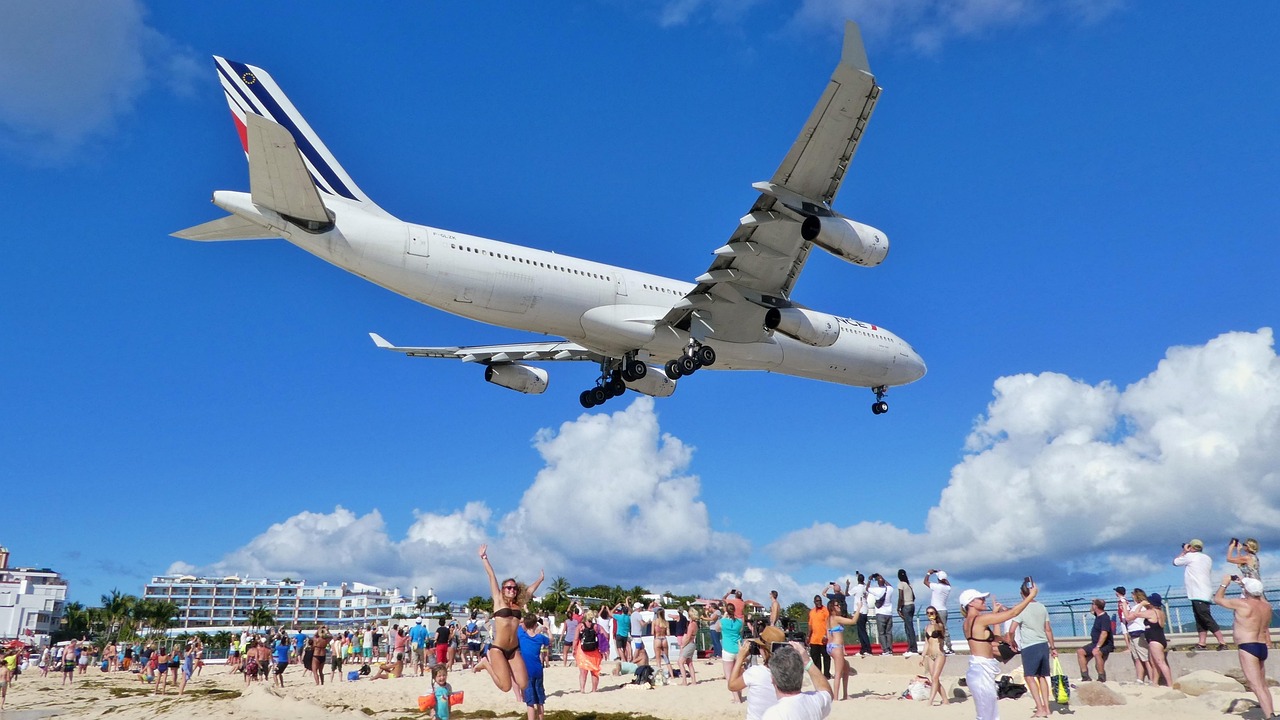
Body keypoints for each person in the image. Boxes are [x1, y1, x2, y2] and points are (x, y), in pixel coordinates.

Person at [960, 583, 1038, 720]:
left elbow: (985, 639)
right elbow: (1013, 613)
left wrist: (1003, 637)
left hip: (980, 669)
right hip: (981, 670)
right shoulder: (979, 620)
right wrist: (1030, 596)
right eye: (980, 599)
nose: (984, 601)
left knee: (989, 714)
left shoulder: (968, 622)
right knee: (987, 716)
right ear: (971, 603)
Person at [477, 544, 544, 693]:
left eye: (514, 588)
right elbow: (491, 576)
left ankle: (502, 667)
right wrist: (484, 558)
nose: (512, 590)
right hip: (498, 648)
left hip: (514, 649)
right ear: (503, 589)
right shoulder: (498, 600)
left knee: (523, 684)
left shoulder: (518, 605)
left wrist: (540, 579)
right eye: (508, 587)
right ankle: (486, 664)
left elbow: (530, 590)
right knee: (506, 687)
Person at [1214, 575, 1272, 718]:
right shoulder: (1266, 606)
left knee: (1255, 685)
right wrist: (1243, 584)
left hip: (1248, 646)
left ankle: (1270, 716)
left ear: (1246, 591)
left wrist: (1224, 584)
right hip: (1261, 645)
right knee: (1262, 684)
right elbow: (1257, 594)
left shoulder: (1242, 604)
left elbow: (1218, 599)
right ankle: (1272, 714)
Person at [1007, 583, 1055, 718]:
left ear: (1022, 593)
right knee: (1042, 676)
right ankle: (1047, 707)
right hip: (1043, 644)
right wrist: (1053, 647)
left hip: (1030, 645)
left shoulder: (1021, 608)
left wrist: (1012, 641)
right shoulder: (1042, 607)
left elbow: (1011, 630)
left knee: (1029, 676)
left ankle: (1040, 708)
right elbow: (1048, 629)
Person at [1174, 539, 1227, 650]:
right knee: (1200, 619)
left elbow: (1176, 562)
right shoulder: (1207, 558)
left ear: (1192, 547)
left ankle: (1222, 642)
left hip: (1197, 592)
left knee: (1206, 618)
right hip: (1205, 591)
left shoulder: (1190, 557)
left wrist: (1184, 552)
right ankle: (1202, 643)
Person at [762, 643, 833, 720]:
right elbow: (827, 691)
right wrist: (807, 662)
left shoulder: (773, 714)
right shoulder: (815, 701)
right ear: (801, 675)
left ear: (773, 679)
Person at [728, 625, 784, 720]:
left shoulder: (755, 672)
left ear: (764, 649)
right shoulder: (789, 672)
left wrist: (740, 658)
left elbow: (732, 686)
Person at [1133, 592, 1174, 686]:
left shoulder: (1151, 612)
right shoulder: (1160, 612)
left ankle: (1170, 684)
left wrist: (1141, 605)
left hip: (1155, 640)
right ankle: (1155, 683)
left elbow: (1136, 614)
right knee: (1154, 663)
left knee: (1160, 663)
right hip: (1159, 639)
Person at [826, 597, 861, 700]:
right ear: (832, 607)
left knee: (846, 667)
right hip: (836, 647)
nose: (839, 607)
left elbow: (828, 635)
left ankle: (845, 694)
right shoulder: (836, 618)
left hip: (831, 646)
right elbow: (853, 621)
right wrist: (859, 608)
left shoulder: (828, 619)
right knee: (838, 673)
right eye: (837, 605)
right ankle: (836, 698)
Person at [1115, 587, 1150, 685]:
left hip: (1139, 632)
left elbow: (1128, 617)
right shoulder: (1136, 606)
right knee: (1137, 658)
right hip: (1133, 633)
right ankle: (1139, 679)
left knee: (1145, 658)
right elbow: (1128, 617)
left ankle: (1151, 678)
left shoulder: (1141, 607)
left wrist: (1125, 607)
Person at [518, 613, 550, 720]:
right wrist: (547, 628)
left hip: (527, 671)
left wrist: (523, 620)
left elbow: (517, 623)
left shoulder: (521, 635)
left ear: (525, 624)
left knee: (530, 701)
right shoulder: (540, 638)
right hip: (538, 669)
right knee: (540, 700)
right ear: (536, 624)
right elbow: (551, 640)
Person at [1076, 598, 1113, 682]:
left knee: (1096, 653)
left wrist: (1098, 647)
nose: (1092, 606)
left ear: (1096, 606)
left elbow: (1104, 633)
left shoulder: (1105, 618)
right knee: (1080, 652)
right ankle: (1085, 676)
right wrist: (1093, 602)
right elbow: (1091, 611)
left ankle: (1101, 676)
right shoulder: (1097, 615)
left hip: (1105, 644)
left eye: (1093, 604)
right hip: (1095, 643)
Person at [920, 606, 949, 706]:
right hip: (930, 655)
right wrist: (922, 656)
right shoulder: (927, 627)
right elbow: (926, 643)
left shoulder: (940, 625)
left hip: (939, 654)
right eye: (928, 613)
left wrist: (934, 623)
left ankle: (930, 701)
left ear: (936, 614)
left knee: (935, 677)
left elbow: (939, 628)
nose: (930, 615)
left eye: (932, 613)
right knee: (934, 679)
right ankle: (945, 700)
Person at [720, 602, 746, 701]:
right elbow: (740, 631)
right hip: (738, 649)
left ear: (726, 610)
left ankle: (736, 699)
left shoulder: (722, 621)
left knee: (729, 676)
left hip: (727, 649)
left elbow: (718, 629)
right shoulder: (740, 622)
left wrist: (724, 616)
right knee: (738, 675)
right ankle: (739, 696)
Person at [924, 570, 954, 654]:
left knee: (935, 628)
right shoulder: (948, 588)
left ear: (939, 579)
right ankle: (948, 647)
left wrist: (928, 573)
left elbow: (925, 582)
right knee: (944, 628)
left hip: (936, 610)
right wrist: (941, 573)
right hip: (944, 610)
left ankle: (941, 647)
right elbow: (947, 583)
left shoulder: (937, 586)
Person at [574, 608, 603, 693]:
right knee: (594, 671)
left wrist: (574, 649)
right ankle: (594, 690)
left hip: (582, 651)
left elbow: (575, 639)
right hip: (594, 651)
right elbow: (605, 635)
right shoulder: (596, 626)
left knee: (583, 671)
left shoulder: (580, 626)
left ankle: (582, 690)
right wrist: (602, 647)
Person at [869, 573, 895, 655]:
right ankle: (890, 649)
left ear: (877, 583)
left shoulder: (876, 590)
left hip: (880, 613)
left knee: (881, 633)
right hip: (889, 613)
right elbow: (890, 585)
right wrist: (881, 577)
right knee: (889, 632)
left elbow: (867, 588)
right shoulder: (889, 589)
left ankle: (885, 649)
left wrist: (870, 579)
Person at [805, 595, 830, 679]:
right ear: (814, 602)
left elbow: (828, 624)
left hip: (823, 639)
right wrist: (808, 636)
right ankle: (819, 674)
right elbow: (810, 625)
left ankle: (826, 674)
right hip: (814, 639)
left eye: (820, 600)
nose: (819, 602)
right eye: (817, 601)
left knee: (826, 657)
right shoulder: (811, 612)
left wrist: (826, 635)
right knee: (815, 657)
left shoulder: (825, 610)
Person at [897, 569, 919, 657]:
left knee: (908, 628)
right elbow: (914, 597)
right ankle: (912, 647)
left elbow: (900, 597)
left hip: (905, 606)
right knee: (910, 626)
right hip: (912, 605)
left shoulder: (901, 584)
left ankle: (913, 648)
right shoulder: (909, 584)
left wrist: (898, 608)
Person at [850, 574, 872, 656]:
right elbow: (866, 587)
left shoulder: (856, 588)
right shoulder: (865, 588)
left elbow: (847, 594)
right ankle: (863, 649)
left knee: (862, 631)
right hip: (865, 610)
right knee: (861, 631)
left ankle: (867, 649)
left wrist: (848, 585)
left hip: (859, 611)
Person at [678, 608, 700, 685]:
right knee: (689, 663)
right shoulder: (695, 624)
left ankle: (684, 681)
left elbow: (688, 637)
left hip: (688, 644)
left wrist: (682, 645)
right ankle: (693, 680)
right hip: (691, 644)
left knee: (680, 662)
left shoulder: (691, 625)